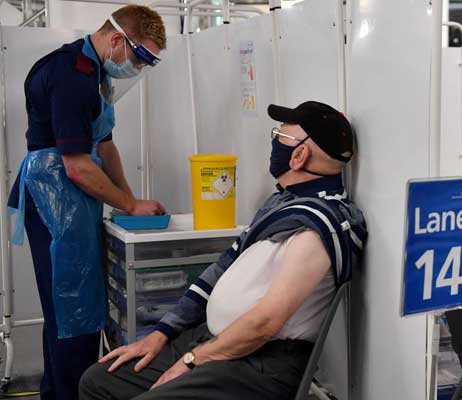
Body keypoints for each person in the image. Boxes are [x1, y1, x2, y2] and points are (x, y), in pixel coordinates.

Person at [79, 101, 368, 400]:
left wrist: (190, 361)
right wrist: (159, 334)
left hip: (258, 365)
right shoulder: (282, 205)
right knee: (99, 381)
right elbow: (219, 270)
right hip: (214, 341)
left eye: (279, 135)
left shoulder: (319, 229)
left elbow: (265, 323)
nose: (274, 142)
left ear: (299, 155)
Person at [5, 5, 166, 399]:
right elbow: (77, 166)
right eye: (140, 57)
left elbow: (105, 146)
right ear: (117, 40)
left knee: (76, 309)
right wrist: (129, 207)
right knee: (72, 311)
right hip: (54, 194)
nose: (140, 68)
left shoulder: (97, 74)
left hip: (75, 197)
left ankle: (56, 392)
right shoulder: (71, 75)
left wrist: (130, 199)